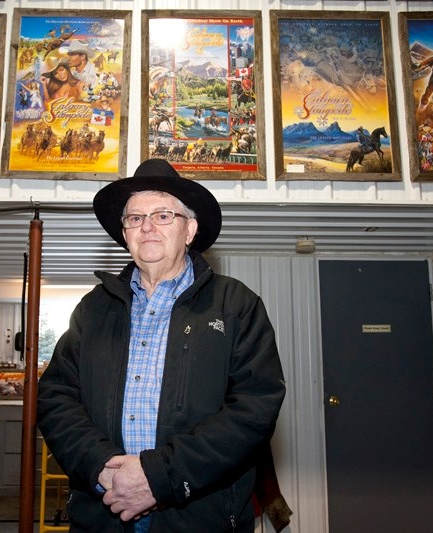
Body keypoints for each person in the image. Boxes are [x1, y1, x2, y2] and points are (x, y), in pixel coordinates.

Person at [37, 159, 286, 531]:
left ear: (190, 230)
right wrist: (102, 467)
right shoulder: (92, 309)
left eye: (163, 215)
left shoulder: (235, 305)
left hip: (200, 517)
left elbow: (255, 408)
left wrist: (158, 476)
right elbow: (55, 396)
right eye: (135, 218)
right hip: (103, 511)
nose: (147, 226)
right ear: (125, 234)